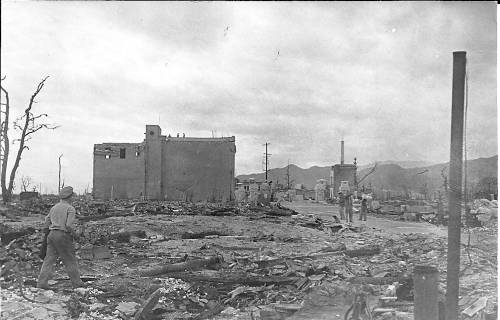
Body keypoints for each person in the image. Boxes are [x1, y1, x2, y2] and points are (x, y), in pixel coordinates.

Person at [37, 186, 85, 289]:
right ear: (70, 197)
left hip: (51, 235)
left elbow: (47, 222)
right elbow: (68, 226)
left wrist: (47, 233)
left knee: (48, 260)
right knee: (70, 260)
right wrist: (76, 236)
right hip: (62, 236)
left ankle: (41, 283)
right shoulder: (70, 209)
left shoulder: (54, 207)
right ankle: (77, 283)